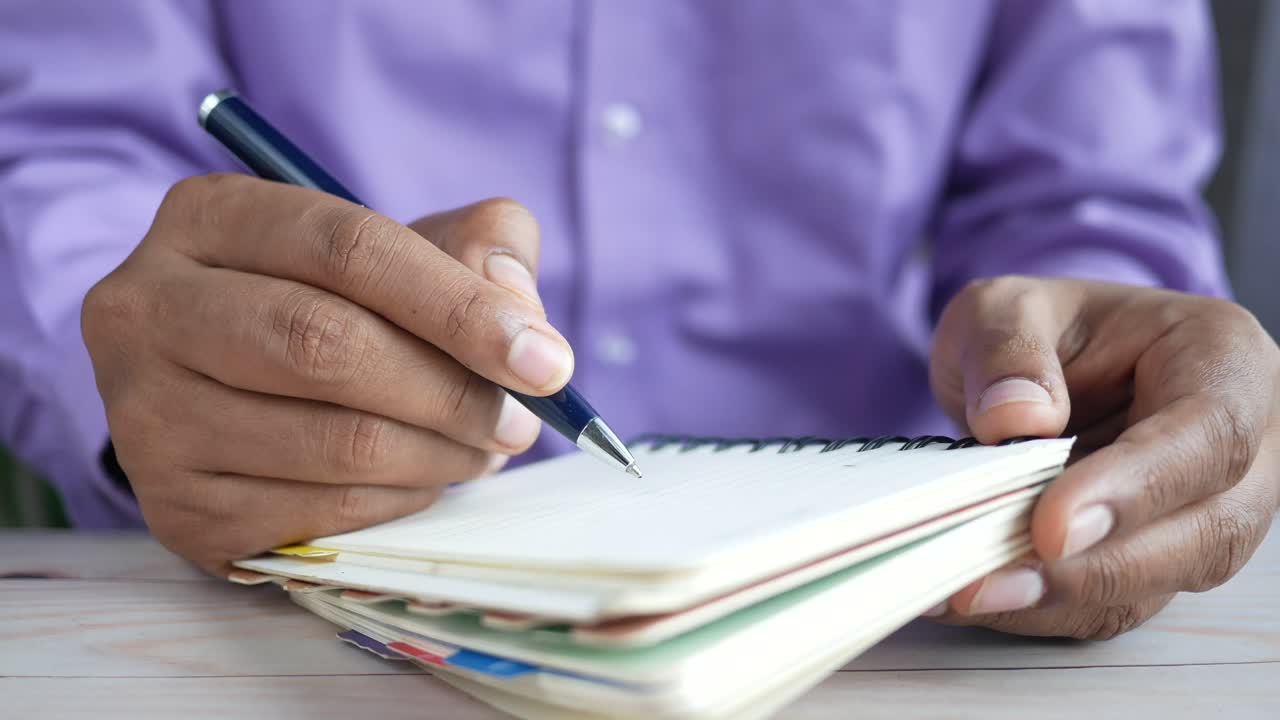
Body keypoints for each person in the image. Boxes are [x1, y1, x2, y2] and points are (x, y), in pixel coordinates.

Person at [0, 1, 1275, 643]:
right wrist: (138, 387)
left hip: (912, 613)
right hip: (302, 607)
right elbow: (57, 145)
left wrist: (1096, 351)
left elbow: (1085, 194)